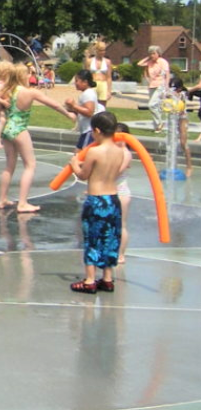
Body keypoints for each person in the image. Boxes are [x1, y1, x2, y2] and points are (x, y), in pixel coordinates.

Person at [0, 63, 76, 212]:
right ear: (22, 76)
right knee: (30, 165)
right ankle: (23, 203)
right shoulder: (30, 92)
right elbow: (54, 105)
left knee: (9, 166)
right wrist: (68, 114)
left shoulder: (6, 91)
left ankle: (2, 199)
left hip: (7, 129)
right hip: (19, 129)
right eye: (28, 74)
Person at [68, 111, 124, 294]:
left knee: (92, 239)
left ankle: (90, 280)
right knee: (110, 238)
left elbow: (83, 175)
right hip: (113, 200)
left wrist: (74, 163)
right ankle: (107, 278)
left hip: (96, 200)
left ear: (97, 131)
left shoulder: (93, 151)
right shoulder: (119, 152)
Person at [64, 70, 103, 153]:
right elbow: (83, 110)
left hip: (88, 131)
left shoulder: (88, 94)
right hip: (86, 131)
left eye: (77, 81)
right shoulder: (87, 93)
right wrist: (71, 108)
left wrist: (74, 105)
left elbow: (89, 112)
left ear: (85, 82)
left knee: (80, 157)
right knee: (77, 156)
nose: (75, 83)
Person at [137, 45, 169, 133]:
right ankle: (158, 126)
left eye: (154, 53)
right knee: (156, 107)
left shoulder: (163, 62)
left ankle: (159, 123)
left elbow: (167, 74)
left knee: (151, 105)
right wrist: (148, 57)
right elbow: (139, 64)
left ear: (158, 53)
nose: (152, 55)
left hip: (160, 85)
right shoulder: (150, 62)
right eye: (151, 54)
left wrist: (167, 86)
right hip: (151, 85)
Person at [114, 123, 134, 264]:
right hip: (108, 191)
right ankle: (110, 251)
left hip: (121, 192)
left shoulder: (126, 153)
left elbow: (118, 171)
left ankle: (121, 254)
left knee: (121, 225)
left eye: (120, 136)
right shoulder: (110, 151)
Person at [167, 76, 193, 177]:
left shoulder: (182, 94)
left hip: (182, 119)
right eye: (171, 88)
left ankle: (189, 167)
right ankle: (172, 166)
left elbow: (180, 108)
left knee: (183, 143)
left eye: (174, 89)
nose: (172, 91)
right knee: (170, 142)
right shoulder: (169, 94)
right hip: (172, 118)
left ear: (180, 89)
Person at [85, 41, 113, 108]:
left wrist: (109, 91)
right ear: (96, 50)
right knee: (92, 104)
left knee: (102, 106)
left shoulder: (107, 62)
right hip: (93, 83)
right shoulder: (90, 61)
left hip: (103, 83)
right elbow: (87, 75)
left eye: (104, 50)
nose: (103, 52)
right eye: (101, 50)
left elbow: (109, 77)